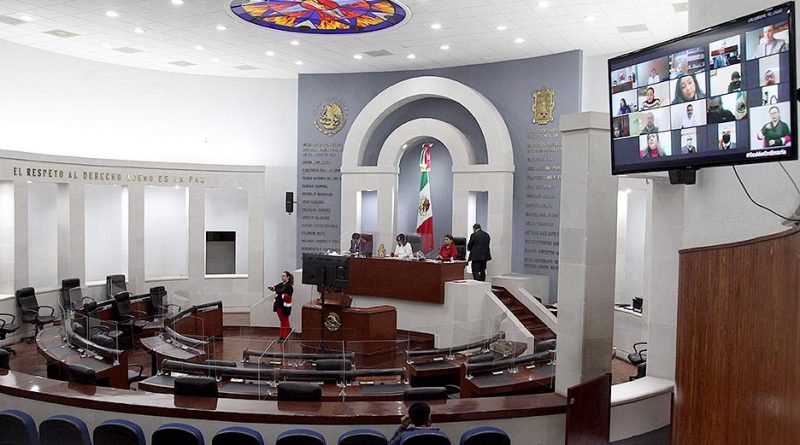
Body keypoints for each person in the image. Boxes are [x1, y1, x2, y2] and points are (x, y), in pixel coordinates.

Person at [268, 271, 293, 341]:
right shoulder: (281, 284)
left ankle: (285, 337)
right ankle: (282, 336)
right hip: (279, 306)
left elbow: (285, 295)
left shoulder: (289, 286)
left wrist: (278, 292)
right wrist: (272, 288)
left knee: (285, 321)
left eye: (284, 276)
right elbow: (276, 288)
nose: (282, 277)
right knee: (282, 321)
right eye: (282, 276)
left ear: (288, 277)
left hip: (284, 307)